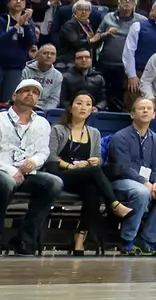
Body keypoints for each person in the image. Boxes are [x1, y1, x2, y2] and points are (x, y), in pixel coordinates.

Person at [51, 91, 133, 254]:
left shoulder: (94, 132)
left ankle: (80, 236)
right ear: (71, 107)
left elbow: (96, 158)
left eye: (88, 104)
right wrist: (70, 166)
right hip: (61, 174)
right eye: (79, 103)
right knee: (94, 173)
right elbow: (51, 156)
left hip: (84, 175)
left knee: (93, 189)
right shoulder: (58, 129)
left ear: (91, 110)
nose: (83, 107)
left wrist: (94, 161)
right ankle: (114, 204)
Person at [106, 97, 156, 255]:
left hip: (148, 181)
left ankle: (147, 239)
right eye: (141, 108)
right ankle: (127, 240)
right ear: (132, 114)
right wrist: (145, 182)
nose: (145, 111)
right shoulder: (121, 137)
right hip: (121, 181)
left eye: (149, 108)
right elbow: (123, 168)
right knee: (142, 191)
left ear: (154, 115)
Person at [0, 79, 60, 255]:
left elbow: (43, 152)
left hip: (28, 172)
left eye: (35, 93)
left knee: (54, 183)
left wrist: (34, 161)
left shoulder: (43, 123)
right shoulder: (1, 119)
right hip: (3, 170)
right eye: (26, 91)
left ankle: (24, 239)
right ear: (14, 95)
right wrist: (12, 171)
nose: (31, 95)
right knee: (5, 184)